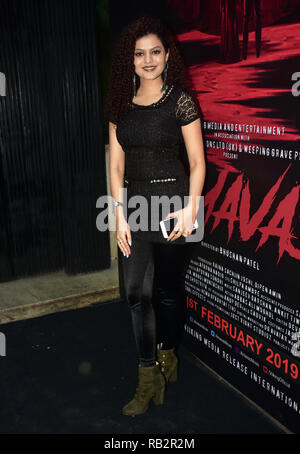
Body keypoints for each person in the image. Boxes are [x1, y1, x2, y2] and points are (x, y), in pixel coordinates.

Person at [105, 15, 206, 416]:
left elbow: (197, 162)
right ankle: (147, 378)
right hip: (134, 210)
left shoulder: (180, 100)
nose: (148, 60)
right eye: (139, 54)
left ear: (167, 56)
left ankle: (168, 356)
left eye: (155, 52)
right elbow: (115, 167)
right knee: (135, 295)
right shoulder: (119, 105)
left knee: (166, 292)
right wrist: (118, 214)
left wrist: (190, 207)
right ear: (129, 60)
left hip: (173, 209)